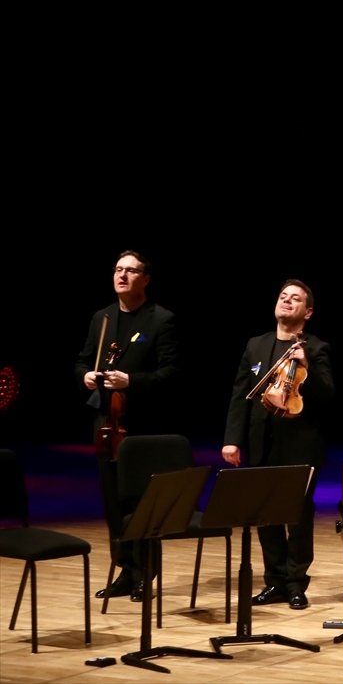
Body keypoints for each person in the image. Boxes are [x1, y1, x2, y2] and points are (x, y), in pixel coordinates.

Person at [222, 280, 334, 610]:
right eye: (283, 296)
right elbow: (240, 395)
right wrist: (232, 439)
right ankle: (275, 581)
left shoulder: (316, 348)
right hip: (260, 443)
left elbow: (328, 394)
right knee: (265, 516)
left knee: (298, 517)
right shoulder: (256, 346)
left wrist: (308, 368)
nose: (286, 301)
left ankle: (296, 583)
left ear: (307, 311)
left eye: (295, 298)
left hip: (300, 446)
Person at [76, 250, 180, 602]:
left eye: (131, 271)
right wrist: (86, 376)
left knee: (139, 503)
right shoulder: (101, 318)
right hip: (107, 425)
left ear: (145, 279)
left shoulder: (161, 320)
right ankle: (124, 569)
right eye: (118, 269)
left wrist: (131, 381)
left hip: (142, 428)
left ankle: (144, 573)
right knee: (112, 502)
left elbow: (171, 375)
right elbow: (81, 361)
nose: (122, 275)